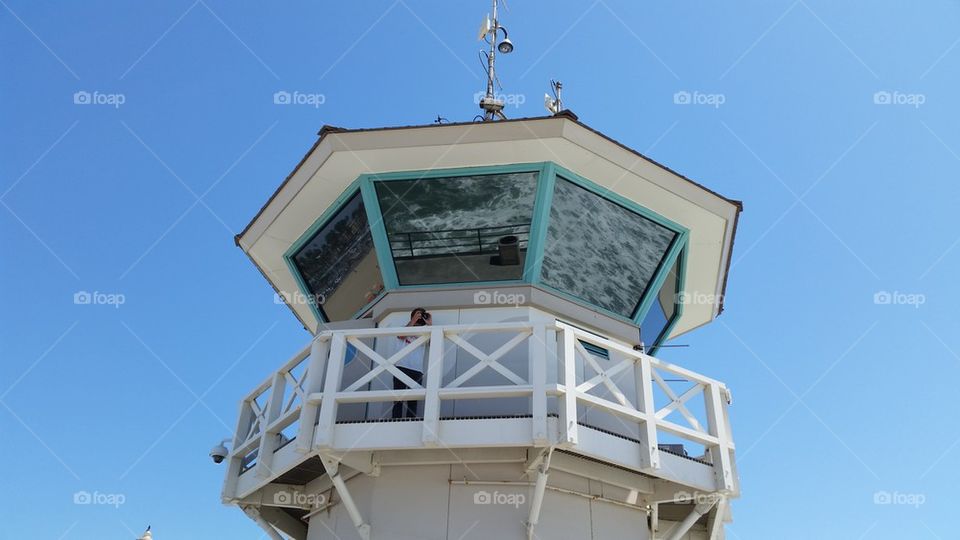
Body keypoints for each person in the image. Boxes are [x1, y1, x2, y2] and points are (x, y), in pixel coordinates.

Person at [392, 307, 432, 418]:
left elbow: (433, 344)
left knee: (413, 400)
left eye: (421, 315)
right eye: (417, 315)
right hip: (401, 366)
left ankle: (411, 421)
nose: (420, 317)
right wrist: (413, 321)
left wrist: (429, 325)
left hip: (417, 370)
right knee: (398, 398)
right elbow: (401, 335)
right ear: (412, 316)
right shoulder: (403, 328)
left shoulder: (426, 332)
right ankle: (395, 421)